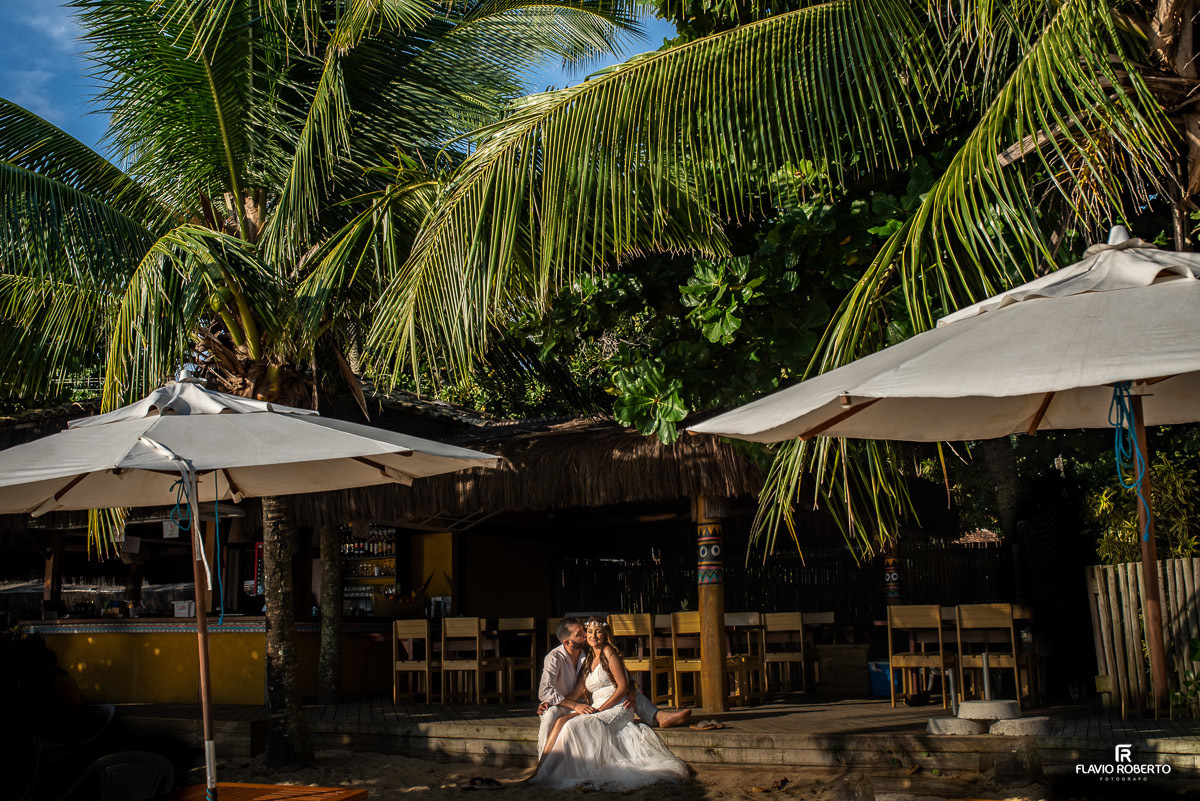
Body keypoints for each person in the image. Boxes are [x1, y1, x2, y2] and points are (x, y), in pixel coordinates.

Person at [530, 617, 689, 790]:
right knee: (559, 720)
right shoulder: (586, 658)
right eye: (586, 632)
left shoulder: (606, 651)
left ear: (605, 634)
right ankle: (542, 770)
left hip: (616, 706)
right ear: (568, 641)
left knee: (572, 726)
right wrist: (551, 704)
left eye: (595, 631)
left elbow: (622, 684)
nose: (589, 635)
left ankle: (553, 771)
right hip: (594, 705)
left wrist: (628, 691)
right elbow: (574, 694)